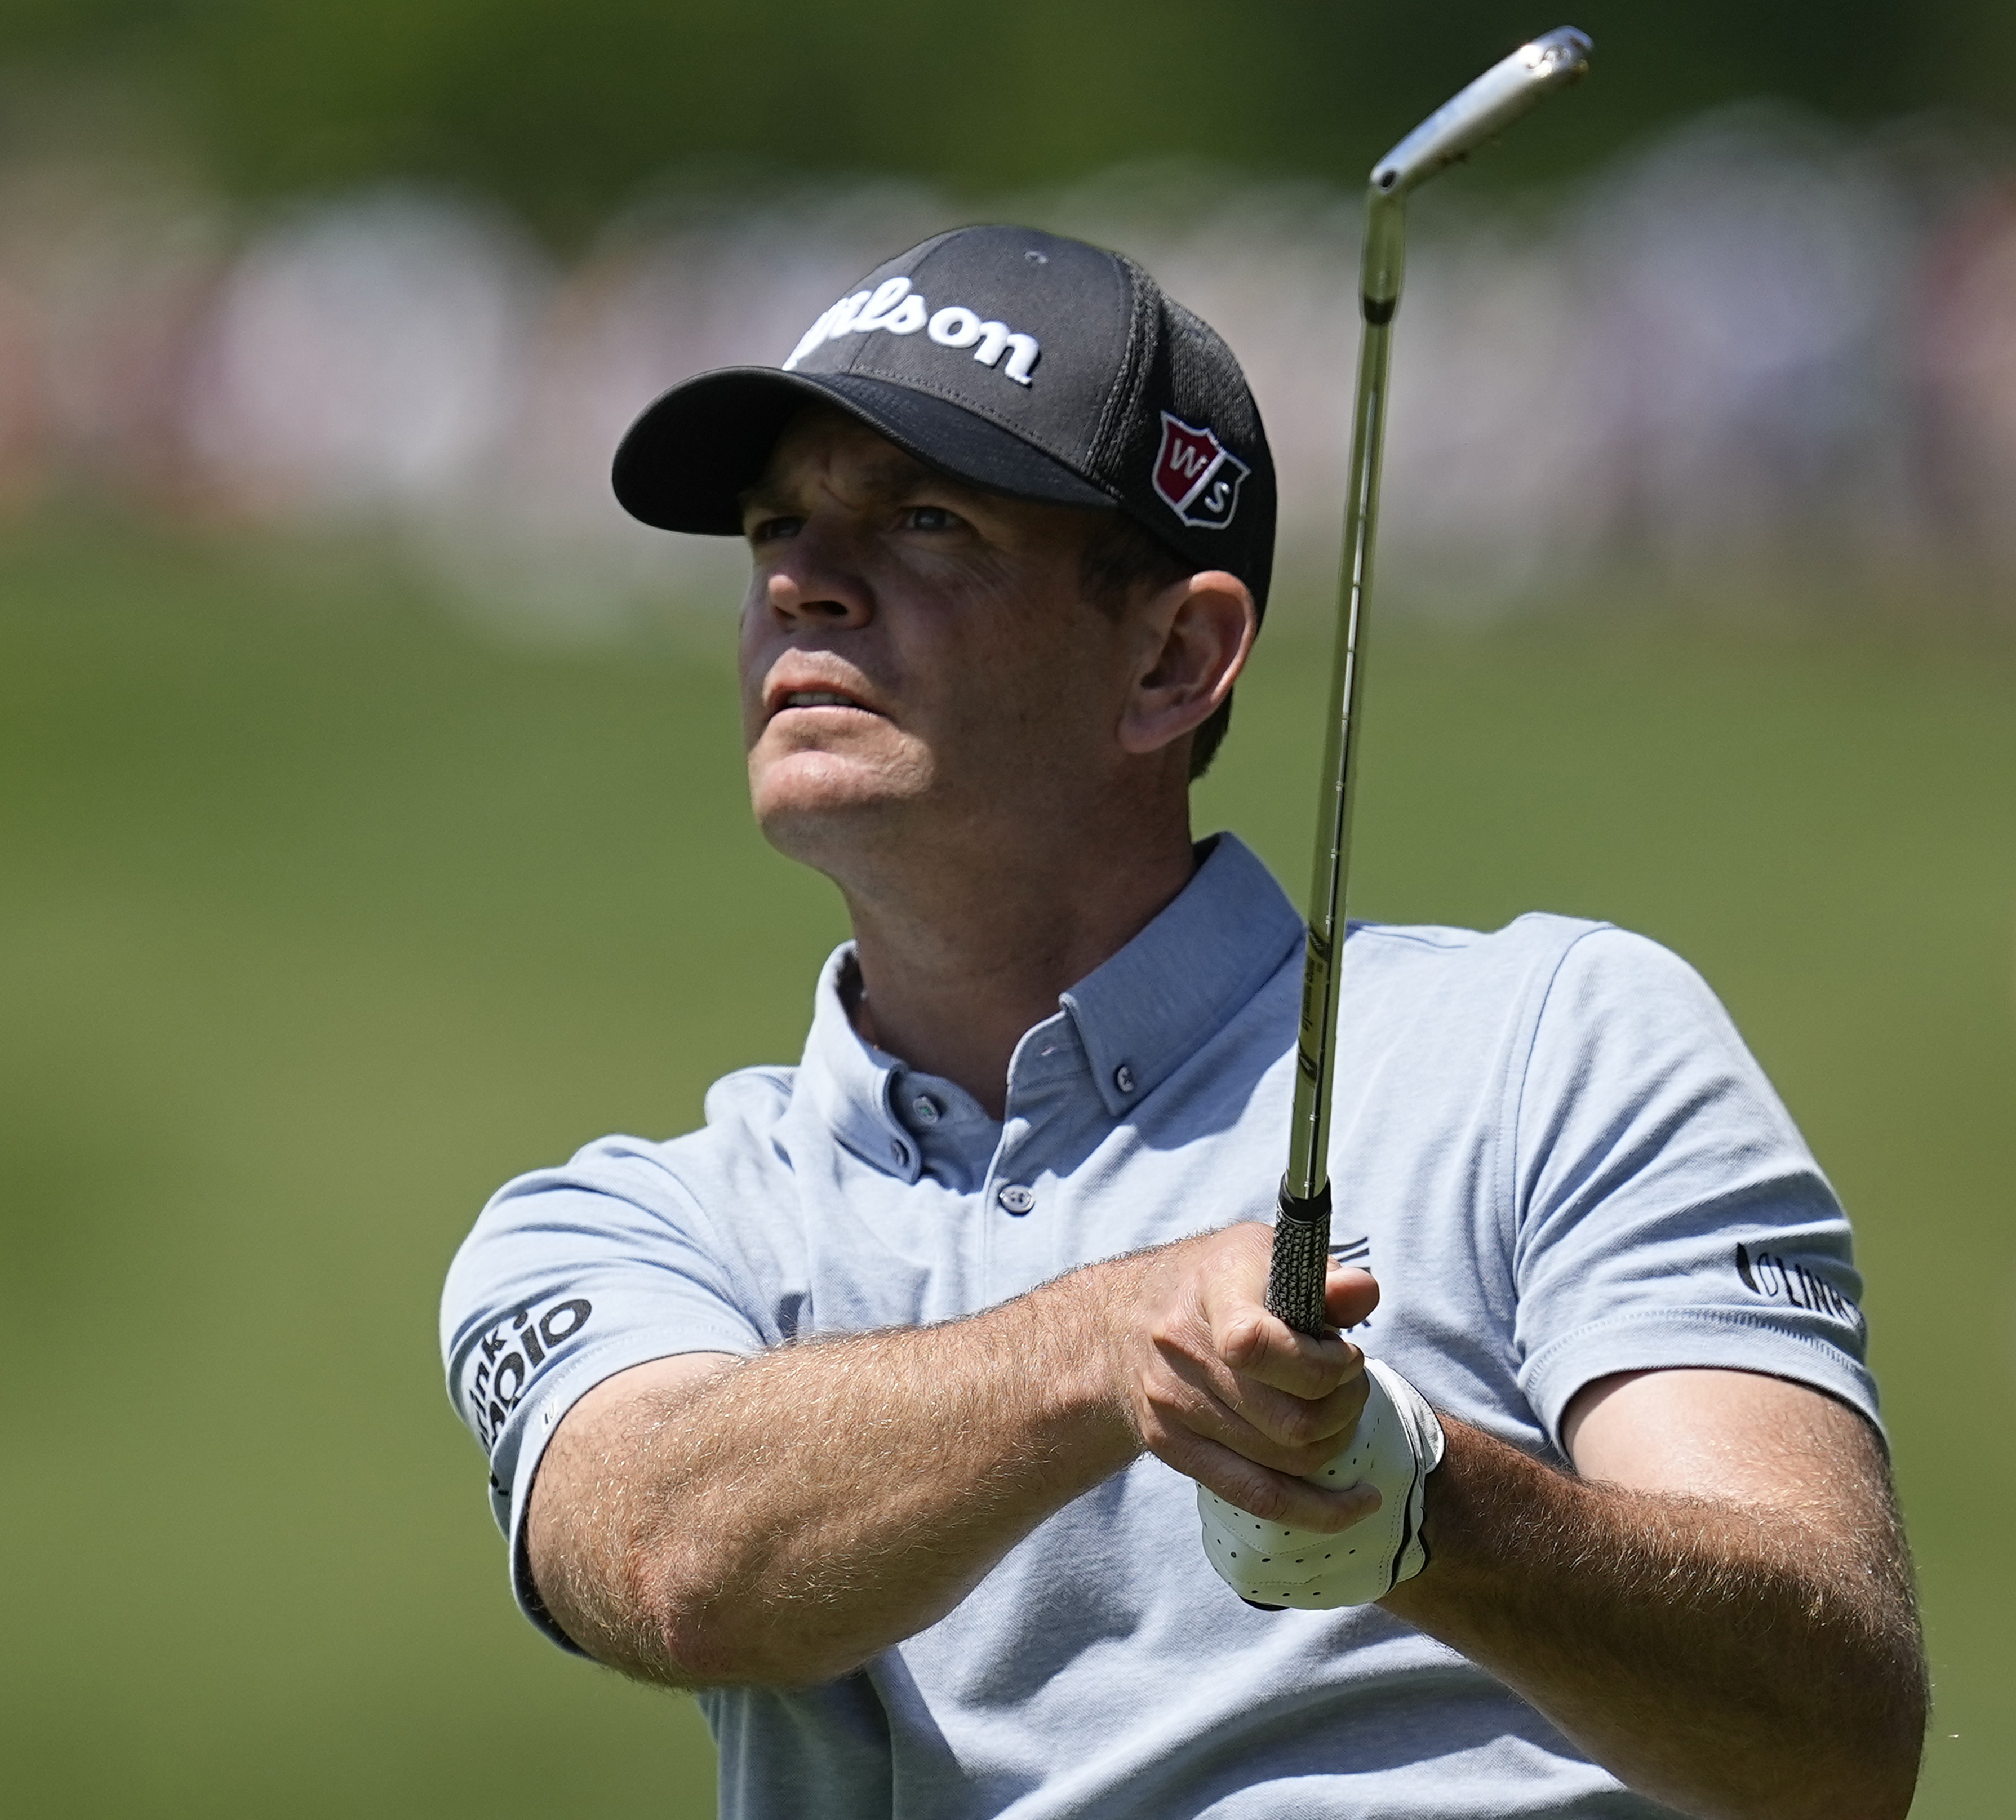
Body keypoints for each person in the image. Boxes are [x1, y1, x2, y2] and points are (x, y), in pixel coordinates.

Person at [442, 224, 1927, 1820]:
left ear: (1173, 657)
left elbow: (1834, 1735)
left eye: (927, 521)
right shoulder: (629, 1224)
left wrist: (1422, 1505)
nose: (804, 581)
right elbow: (665, 1564)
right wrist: (1108, 1345)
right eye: (774, 528)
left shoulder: (1555, 1046)